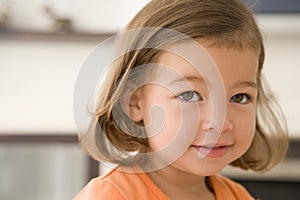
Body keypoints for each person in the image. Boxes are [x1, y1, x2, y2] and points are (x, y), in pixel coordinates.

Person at [74, 0, 289, 199]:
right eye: (189, 95)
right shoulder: (110, 196)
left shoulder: (238, 196)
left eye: (239, 97)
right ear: (135, 102)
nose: (219, 123)